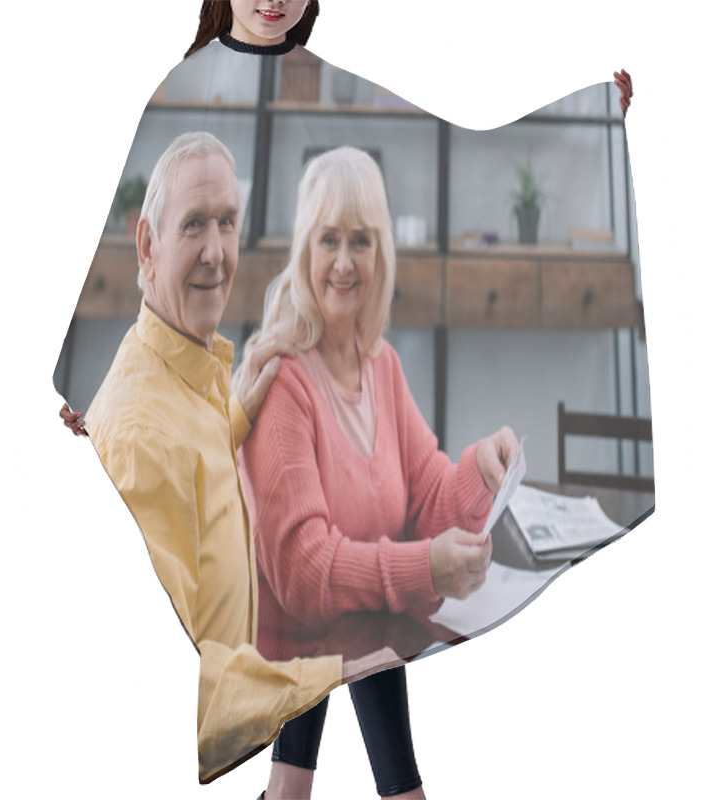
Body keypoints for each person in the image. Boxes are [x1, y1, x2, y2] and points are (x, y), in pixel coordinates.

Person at [75, 131, 396, 784]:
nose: (217, 254)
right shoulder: (141, 433)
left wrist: (239, 415)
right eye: (194, 225)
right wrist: (330, 677)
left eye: (228, 223)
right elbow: (176, 684)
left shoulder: (195, 373)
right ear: (146, 246)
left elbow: (195, 482)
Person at [239, 146, 520, 799]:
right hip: (300, 641)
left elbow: (427, 494)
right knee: (373, 779)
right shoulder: (286, 383)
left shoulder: (381, 366)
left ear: (380, 253)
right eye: (328, 239)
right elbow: (307, 574)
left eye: (360, 241)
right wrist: (426, 568)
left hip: (359, 630)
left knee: (305, 783)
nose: (343, 262)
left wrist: (480, 468)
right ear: (306, 250)